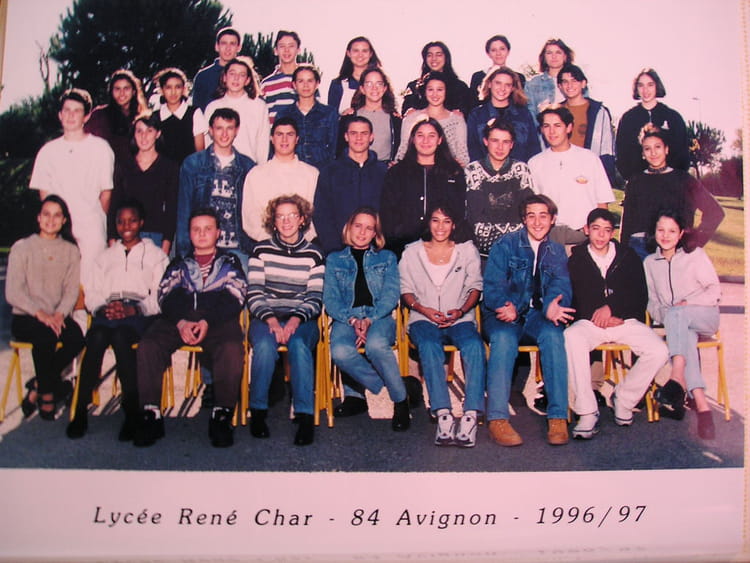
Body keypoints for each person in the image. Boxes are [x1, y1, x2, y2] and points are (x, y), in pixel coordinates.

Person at [134, 207, 248, 448]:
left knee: (231, 347)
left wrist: (208, 321)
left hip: (216, 321)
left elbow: (236, 294)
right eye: (196, 229)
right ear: (189, 233)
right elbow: (165, 292)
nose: (202, 234)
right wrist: (181, 321)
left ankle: (221, 415)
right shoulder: (179, 263)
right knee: (149, 344)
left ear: (218, 233)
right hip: (179, 320)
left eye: (208, 229)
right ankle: (150, 413)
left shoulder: (230, 262)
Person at [66, 199, 169, 440]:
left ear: (141, 222)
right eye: (121, 222)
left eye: (132, 221)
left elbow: (161, 296)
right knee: (96, 337)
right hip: (108, 311)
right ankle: (80, 410)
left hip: (138, 313)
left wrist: (135, 309)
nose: (126, 226)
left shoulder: (156, 255)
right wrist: (102, 308)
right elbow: (92, 291)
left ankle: (131, 411)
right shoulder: (105, 257)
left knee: (122, 337)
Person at [565, 208, 668, 439]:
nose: (601, 235)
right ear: (586, 230)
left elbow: (639, 294)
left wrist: (613, 309)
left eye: (607, 230)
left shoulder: (627, 256)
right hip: (590, 322)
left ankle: (624, 398)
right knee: (571, 337)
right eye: (596, 229)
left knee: (659, 350)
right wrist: (598, 313)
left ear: (613, 233)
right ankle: (587, 411)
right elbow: (576, 296)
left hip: (624, 320)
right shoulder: (576, 259)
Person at [482, 194, 574, 447]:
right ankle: (497, 419)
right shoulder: (505, 245)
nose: (537, 222)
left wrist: (554, 304)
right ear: (523, 219)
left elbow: (561, 285)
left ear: (553, 219)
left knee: (554, 335)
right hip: (505, 312)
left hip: (536, 315)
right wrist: (505, 304)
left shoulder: (556, 251)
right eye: (531, 216)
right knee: (503, 338)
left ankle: (557, 416)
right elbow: (492, 285)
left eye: (543, 216)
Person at [400, 203, 485, 447]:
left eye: (446, 221)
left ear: (454, 225)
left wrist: (461, 311)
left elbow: (475, 287)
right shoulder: (412, 252)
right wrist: (423, 309)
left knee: (474, 346)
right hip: (423, 318)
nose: (440, 227)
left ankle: (471, 414)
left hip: (459, 318)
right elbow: (405, 290)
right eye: (435, 220)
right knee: (428, 345)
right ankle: (443, 413)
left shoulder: (466, 251)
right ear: (428, 223)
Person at [247, 195, 325, 446]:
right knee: (264, 346)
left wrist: (293, 321)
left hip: (302, 318)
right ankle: (258, 412)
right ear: (273, 221)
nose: (286, 221)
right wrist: (271, 321)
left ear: (302, 219)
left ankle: (304, 417)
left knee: (299, 346)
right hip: (266, 316)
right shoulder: (260, 250)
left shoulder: (314, 254)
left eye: (292, 215)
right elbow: (254, 293)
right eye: (280, 216)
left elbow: (314, 298)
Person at [323, 208, 410, 431]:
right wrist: (352, 320)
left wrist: (370, 319)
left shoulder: (387, 258)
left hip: (379, 316)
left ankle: (401, 403)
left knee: (376, 345)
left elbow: (391, 295)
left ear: (375, 234)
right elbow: (331, 299)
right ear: (349, 227)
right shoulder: (334, 260)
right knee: (340, 351)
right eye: (358, 226)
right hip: (346, 317)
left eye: (369, 228)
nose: (362, 232)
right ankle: (392, 386)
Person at [5, 195, 84, 420]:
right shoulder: (22, 247)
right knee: (45, 335)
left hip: (56, 315)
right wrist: (41, 314)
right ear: (38, 218)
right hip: (27, 316)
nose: (51, 220)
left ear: (64, 220)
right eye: (46, 214)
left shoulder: (70, 250)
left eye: (57, 215)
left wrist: (59, 314)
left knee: (77, 338)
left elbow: (71, 291)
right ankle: (47, 395)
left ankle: (39, 384)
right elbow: (13, 292)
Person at [644, 210, 722, 440]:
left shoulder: (695, 255)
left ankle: (677, 376)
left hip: (704, 315)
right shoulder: (650, 263)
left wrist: (687, 305)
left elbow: (715, 291)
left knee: (679, 316)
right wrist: (668, 314)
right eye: (660, 230)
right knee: (684, 335)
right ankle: (703, 408)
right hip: (677, 326)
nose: (665, 235)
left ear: (680, 234)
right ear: (654, 232)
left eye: (672, 231)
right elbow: (652, 302)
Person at [29, 88, 114, 292]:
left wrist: (93, 218)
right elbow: (45, 195)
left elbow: (106, 193)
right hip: (58, 228)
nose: (71, 115)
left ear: (86, 116)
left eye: (77, 111)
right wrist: (55, 223)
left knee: (89, 289)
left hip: (90, 230)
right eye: (66, 110)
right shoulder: (48, 151)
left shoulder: (101, 148)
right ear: (60, 115)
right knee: (56, 286)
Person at [621, 129, 724, 258]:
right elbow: (627, 224)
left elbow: (715, 211)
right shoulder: (635, 182)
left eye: (657, 147)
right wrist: (622, 254)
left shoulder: (684, 180)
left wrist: (695, 240)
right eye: (647, 148)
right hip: (639, 249)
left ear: (666, 149)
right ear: (642, 153)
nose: (653, 152)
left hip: (673, 249)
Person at [176, 107, 255, 265]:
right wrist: (184, 254)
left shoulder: (248, 166)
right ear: (211, 131)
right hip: (202, 249)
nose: (224, 134)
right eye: (219, 128)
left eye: (229, 128)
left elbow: (252, 213)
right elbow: (184, 210)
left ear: (237, 130)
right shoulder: (193, 164)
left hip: (238, 248)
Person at [528, 106, 615, 245]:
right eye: (546, 126)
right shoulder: (534, 163)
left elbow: (602, 203)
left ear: (568, 127)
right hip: (550, 237)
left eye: (557, 125)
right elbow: (533, 206)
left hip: (583, 236)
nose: (551, 131)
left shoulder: (590, 158)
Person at [380, 118, 466, 257]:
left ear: (440, 140)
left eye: (431, 136)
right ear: (413, 139)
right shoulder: (397, 172)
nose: (425, 141)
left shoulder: (453, 171)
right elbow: (387, 213)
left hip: (443, 247)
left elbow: (459, 211)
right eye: (420, 135)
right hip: (403, 247)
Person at [314, 116, 387, 255]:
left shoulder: (383, 172)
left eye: (364, 133)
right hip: (338, 250)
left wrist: (379, 246)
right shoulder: (330, 171)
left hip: (375, 251)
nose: (358, 138)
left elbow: (388, 213)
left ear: (371, 137)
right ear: (346, 137)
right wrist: (334, 248)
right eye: (353, 133)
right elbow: (321, 213)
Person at [242, 116, 319, 244]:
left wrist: (300, 241)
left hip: (304, 245)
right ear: (271, 139)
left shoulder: (312, 174)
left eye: (290, 134)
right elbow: (250, 216)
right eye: (279, 134)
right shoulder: (256, 174)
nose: (284, 139)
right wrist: (273, 242)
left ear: (297, 139)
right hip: (266, 244)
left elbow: (316, 216)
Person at [464, 119, 535, 257]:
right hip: (482, 252)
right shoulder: (473, 170)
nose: (500, 147)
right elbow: (475, 219)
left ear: (512, 144)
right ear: (486, 141)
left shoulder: (521, 170)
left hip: (517, 250)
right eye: (495, 141)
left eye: (505, 142)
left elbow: (527, 212)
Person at [110, 112, 178, 255]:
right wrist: (112, 240)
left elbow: (171, 210)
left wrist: (165, 246)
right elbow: (114, 205)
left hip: (156, 236)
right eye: (139, 131)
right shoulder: (123, 165)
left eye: (149, 131)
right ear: (134, 134)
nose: (144, 136)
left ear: (158, 134)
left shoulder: (169, 167)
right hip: (126, 234)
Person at [615, 68, 690, 182]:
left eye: (650, 85)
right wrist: (634, 178)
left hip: (670, 183)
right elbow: (622, 154)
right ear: (636, 89)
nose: (645, 90)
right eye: (641, 85)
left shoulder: (673, 117)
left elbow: (682, 154)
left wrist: (672, 177)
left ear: (657, 86)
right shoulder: (628, 119)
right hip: (639, 183)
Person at [467, 66, 541, 163]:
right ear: (489, 84)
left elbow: (534, 148)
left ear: (513, 88)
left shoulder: (523, 114)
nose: (502, 88)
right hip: (486, 170)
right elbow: (473, 150)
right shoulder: (476, 115)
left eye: (508, 85)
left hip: (520, 169)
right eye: (498, 83)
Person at [558, 64, 616, 186]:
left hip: (588, 174)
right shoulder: (555, 112)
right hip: (561, 172)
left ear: (583, 83)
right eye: (565, 82)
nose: (569, 86)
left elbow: (606, 148)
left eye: (574, 81)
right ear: (560, 86)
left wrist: (605, 180)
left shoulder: (598, 112)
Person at [204, 56, 270, 165]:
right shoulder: (213, 107)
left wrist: (260, 169)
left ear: (247, 80)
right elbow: (207, 141)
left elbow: (263, 143)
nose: (236, 78)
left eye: (242, 75)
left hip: (249, 168)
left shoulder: (259, 106)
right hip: (218, 167)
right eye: (232, 74)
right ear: (224, 77)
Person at [396, 72, 470, 167]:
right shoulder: (411, 118)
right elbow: (402, 151)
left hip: (446, 171)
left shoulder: (457, 120)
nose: (435, 94)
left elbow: (463, 156)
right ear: (424, 91)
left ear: (446, 92)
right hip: (414, 170)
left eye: (440, 90)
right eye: (430, 89)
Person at [275, 65, 338, 170]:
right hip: (292, 170)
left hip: (322, 171)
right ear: (294, 85)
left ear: (317, 84)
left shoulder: (329, 113)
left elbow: (334, 147)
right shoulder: (283, 114)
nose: (305, 85)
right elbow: (277, 147)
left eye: (310, 81)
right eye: (300, 81)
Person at [85, 69, 148, 165]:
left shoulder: (142, 118)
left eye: (126, 88)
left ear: (134, 91)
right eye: (117, 89)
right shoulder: (99, 116)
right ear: (111, 91)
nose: (122, 93)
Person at [152, 67, 208, 165]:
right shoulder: (155, 116)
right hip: (162, 170)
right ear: (162, 90)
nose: (173, 92)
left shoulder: (194, 113)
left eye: (177, 87)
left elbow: (200, 152)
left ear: (184, 89)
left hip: (188, 169)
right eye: (168, 87)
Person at [346, 66, 402, 163]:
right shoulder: (350, 116)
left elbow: (402, 148)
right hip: (355, 169)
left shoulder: (395, 119)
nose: (374, 88)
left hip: (384, 169)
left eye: (379, 84)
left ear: (385, 88)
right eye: (369, 84)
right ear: (362, 89)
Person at [401, 41, 472, 117]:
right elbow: (406, 110)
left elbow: (466, 111)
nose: (434, 59)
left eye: (438, 55)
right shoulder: (414, 86)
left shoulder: (460, 87)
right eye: (429, 55)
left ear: (446, 58)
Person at [192, 27, 242, 112]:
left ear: (239, 47)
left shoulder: (247, 75)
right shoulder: (203, 76)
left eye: (232, 44)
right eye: (224, 43)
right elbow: (197, 111)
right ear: (216, 46)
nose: (228, 48)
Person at [328, 36, 382, 115]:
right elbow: (331, 116)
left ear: (371, 54)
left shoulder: (381, 82)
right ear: (348, 53)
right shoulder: (338, 84)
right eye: (356, 51)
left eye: (364, 51)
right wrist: (343, 116)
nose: (360, 55)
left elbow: (388, 108)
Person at [524, 38, 576, 116]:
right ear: (544, 57)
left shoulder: (577, 82)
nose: (554, 56)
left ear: (565, 56)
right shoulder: (533, 84)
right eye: (549, 53)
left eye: (558, 52)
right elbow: (529, 114)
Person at [469, 34, 525, 105]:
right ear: (488, 54)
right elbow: (472, 104)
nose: (498, 53)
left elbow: (521, 103)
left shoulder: (519, 78)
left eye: (502, 49)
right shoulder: (478, 77)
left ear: (508, 51)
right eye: (493, 50)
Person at [260, 30, 303, 123]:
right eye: (282, 46)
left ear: (298, 50)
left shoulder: (307, 80)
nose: (286, 50)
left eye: (291, 46)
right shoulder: (266, 84)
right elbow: (261, 116)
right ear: (276, 51)